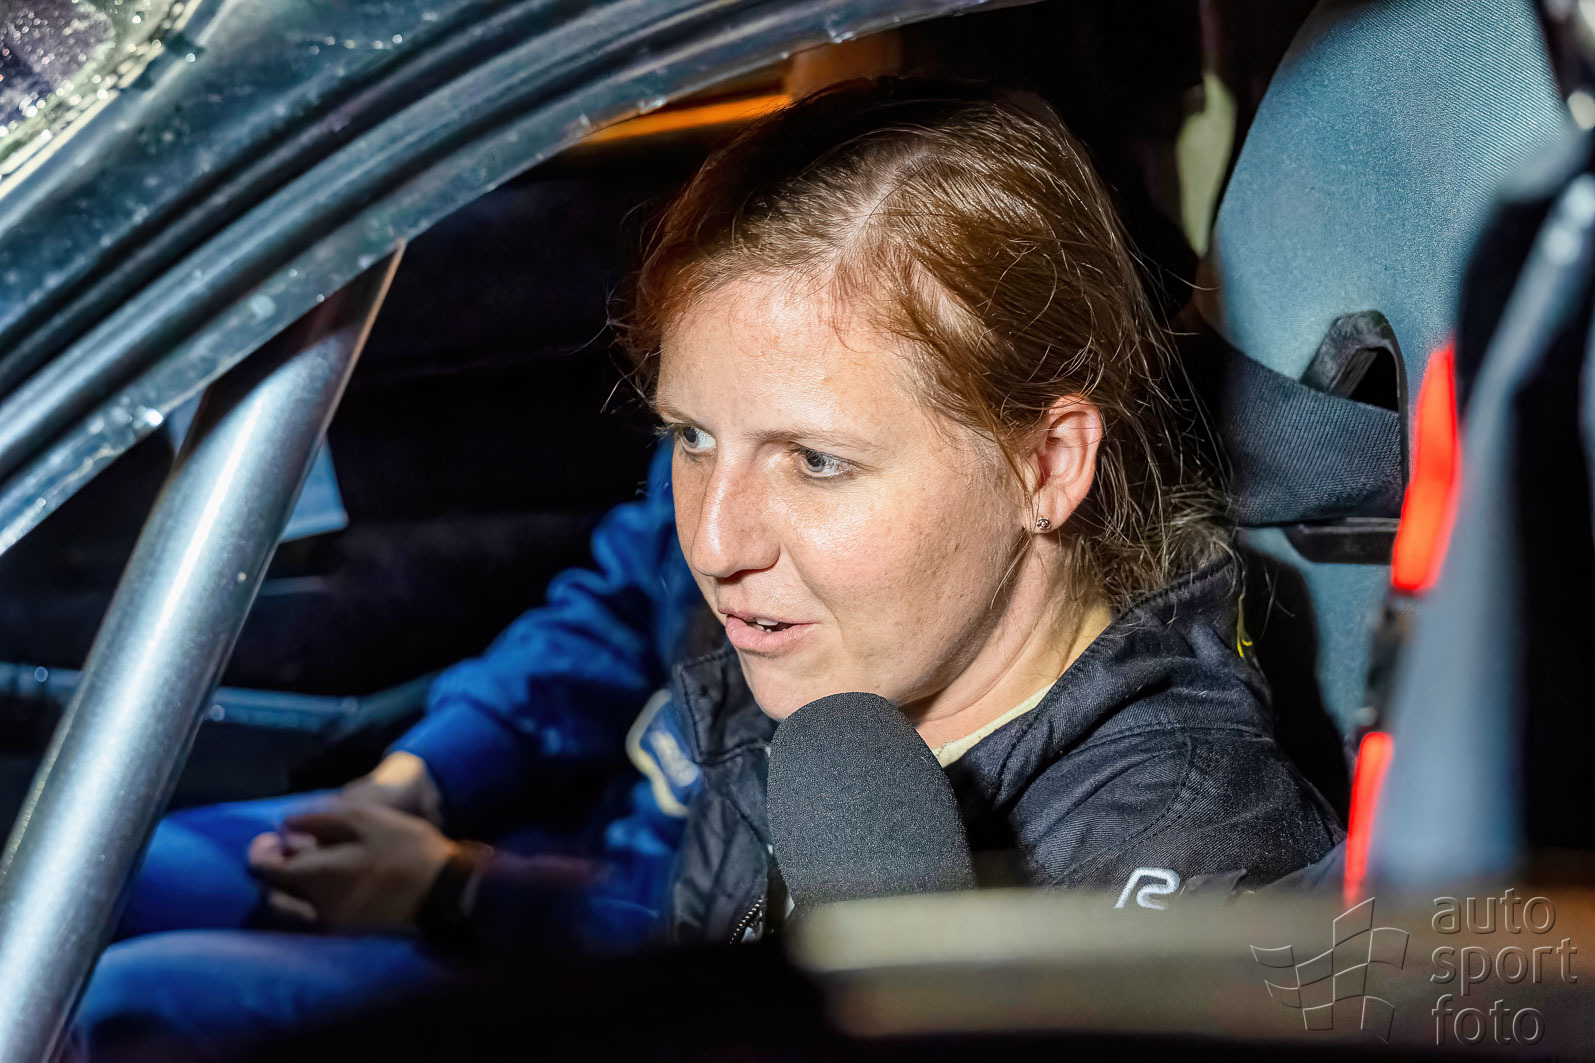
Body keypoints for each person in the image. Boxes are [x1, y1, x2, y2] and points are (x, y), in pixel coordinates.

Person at [75, 77, 1343, 1059]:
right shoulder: (854, 663)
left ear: (1047, 464)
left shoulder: (1179, 872)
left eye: (816, 461)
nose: (718, 541)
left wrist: (459, 895)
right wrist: (427, 779)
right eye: (689, 438)